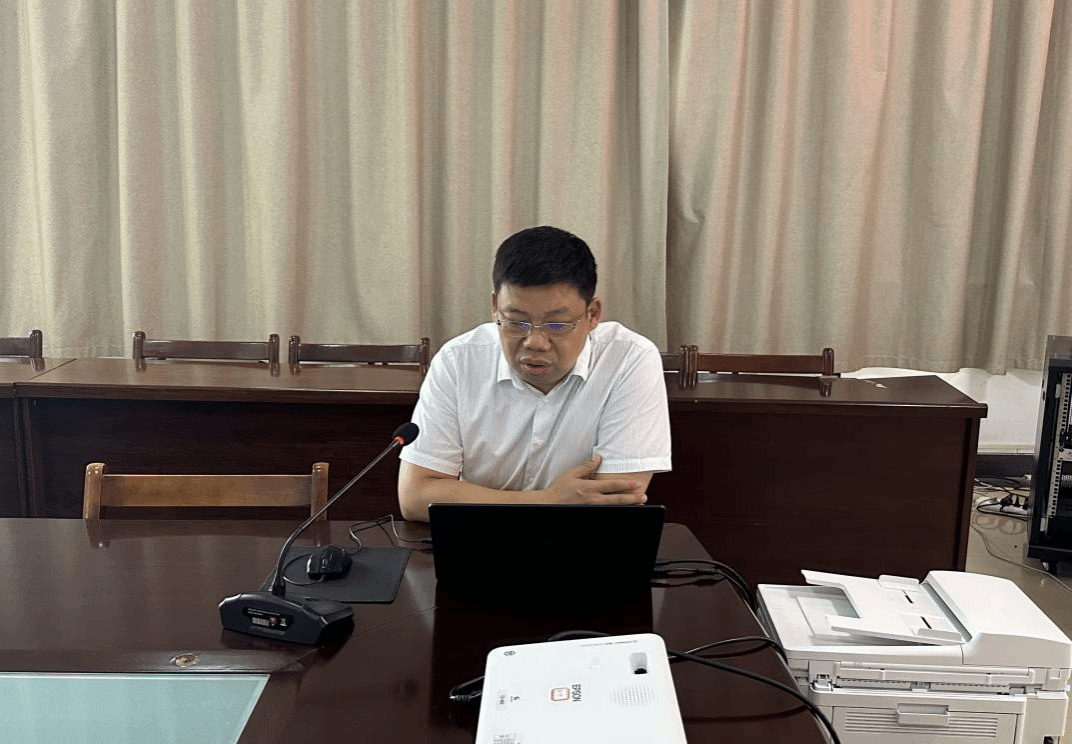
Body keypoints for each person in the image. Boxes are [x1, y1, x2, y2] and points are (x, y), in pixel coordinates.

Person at [397, 225, 671, 521]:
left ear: (593, 314)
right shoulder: (458, 360)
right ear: (495, 307)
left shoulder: (629, 359)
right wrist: (548, 501)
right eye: (517, 322)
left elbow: (614, 505)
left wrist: (488, 503)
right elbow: (415, 497)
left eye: (557, 325)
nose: (535, 342)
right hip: (478, 541)